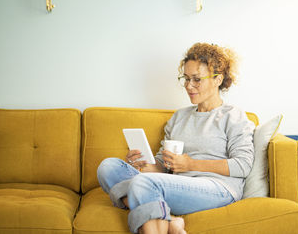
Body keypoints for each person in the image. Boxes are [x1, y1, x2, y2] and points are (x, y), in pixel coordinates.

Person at [97, 42, 255, 234]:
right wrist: (145, 164)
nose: (189, 86)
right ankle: (170, 219)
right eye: (186, 79)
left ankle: (160, 210)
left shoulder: (233, 116)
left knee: (144, 183)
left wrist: (191, 165)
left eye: (197, 79)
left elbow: (243, 165)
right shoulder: (179, 117)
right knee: (108, 167)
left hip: (218, 187)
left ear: (217, 79)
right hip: (176, 186)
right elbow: (165, 165)